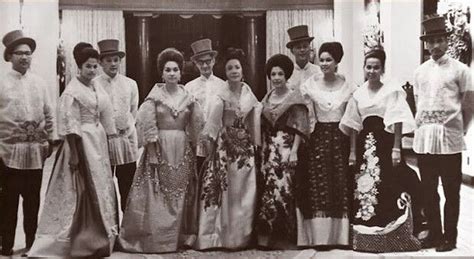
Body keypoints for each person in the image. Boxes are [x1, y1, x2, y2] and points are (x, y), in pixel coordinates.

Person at [29, 42, 119, 257]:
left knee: (102, 185)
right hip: (80, 143)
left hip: (97, 141)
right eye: (88, 66)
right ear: (79, 66)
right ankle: (80, 238)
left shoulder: (95, 86)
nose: (92, 70)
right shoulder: (72, 90)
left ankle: (106, 232)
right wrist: (75, 154)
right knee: (80, 189)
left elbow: (104, 112)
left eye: (95, 66)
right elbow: (70, 126)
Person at [118, 48, 204, 253]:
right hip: (160, 147)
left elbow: (197, 125)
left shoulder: (189, 97)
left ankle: (181, 236)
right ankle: (159, 238)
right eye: (168, 70)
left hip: (182, 148)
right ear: (162, 73)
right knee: (159, 192)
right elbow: (148, 125)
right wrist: (153, 152)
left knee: (182, 191)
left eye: (176, 69)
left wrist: (195, 147)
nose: (172, 73)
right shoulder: (154, 98)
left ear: (181, 72)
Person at [339, 48, 421, 252]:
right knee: (364, 187)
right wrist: (352, 152)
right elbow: (353, 125)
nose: (372, 71)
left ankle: (392, 234)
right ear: (364, 69)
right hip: (364, 146)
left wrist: (396, 148)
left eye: (376, 67)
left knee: (388, 183)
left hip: (385, 143)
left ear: (382, 69)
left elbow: (398, 120)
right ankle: (365, 236)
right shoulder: (358, 93)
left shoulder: (391, 91)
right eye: (369, 67)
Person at [414, 15, 473, 252]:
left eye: (439, 40)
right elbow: (418, 103)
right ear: (426, 44)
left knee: (451, 191)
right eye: (431, 41)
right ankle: (435, 234)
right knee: (429, 190)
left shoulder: (461, 70)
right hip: (425, 139)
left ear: (447, 41)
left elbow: (469, 105)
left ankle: (450, 237)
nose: (435, 46)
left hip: (450, 139)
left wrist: (458, 128)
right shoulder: (420, 72)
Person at [195, 48, 261, 250]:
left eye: (237, 67)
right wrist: (210, 143)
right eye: (230, 68)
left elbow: (255, 119)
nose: (234, 71)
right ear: (225, 71)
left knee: (244, 190)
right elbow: (213, 123)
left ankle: (241, 236)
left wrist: (256, 144)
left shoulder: (249, 93)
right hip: (225, 147)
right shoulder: (220, 94)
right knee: (224, 189)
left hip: (245, 149)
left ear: (242, 70)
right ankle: (217, 237)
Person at [0, 30, 54, 256]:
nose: (25, 57)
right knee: (8, 202)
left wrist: (50, 139)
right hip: (7, 152)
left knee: (32, 201)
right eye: (19, 53)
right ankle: (7, 245)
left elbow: (49, 114)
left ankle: (32, 244)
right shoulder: (1, 82)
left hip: (34, 153)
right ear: (9, 56)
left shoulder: (40, 83)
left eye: (28, 53)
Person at [297, 42, 355, 247]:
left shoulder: (348, 86)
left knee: (339, 184)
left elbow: (352, 119)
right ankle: (319, 237)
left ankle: (339, 237)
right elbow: (305, 117)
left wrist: (353, 151)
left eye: (328, 59)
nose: (324, 63)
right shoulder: (310, 84)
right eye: (321, 59)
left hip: (341, 137)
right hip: (318, 138)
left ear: (337, 61)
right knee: (318, 185)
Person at [256, 54, 309, 249]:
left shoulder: (295, 97)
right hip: (270, 149)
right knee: (269, 189)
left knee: (284, 189)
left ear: (287, 75)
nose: (277, 77)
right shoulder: (267, 98)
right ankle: (267, 233)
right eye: (273, 74)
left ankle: (285, 235)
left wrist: (294, 151)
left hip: (287, 148)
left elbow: (300, 127)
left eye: (280, 73)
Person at [95, 39, 139, 212]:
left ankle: (127, 231)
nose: (113, 64)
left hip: (125, 141)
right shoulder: (94, 84)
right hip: (103, 143)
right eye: (108, 60)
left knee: (127, 186)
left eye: (116, 60)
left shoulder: (130, 84)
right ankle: (108, 229)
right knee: (104, 187)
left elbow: (133, 111)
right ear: (100, 63)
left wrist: (125, 129)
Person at [185, 39, 225, 169]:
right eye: (201, 62)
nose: (205, 66)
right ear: (196, 64)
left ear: (213, 61)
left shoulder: (223, 86)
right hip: (197, 140)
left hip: (218, 139)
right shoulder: (189, 87)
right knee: (199, 174)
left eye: (208, 61)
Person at [285, 25, 323, 91]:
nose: (302, 50)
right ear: (292, 51)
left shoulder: (318, 71)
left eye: (305, 46)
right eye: (298, 47)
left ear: (309, 49)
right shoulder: (287, 73)